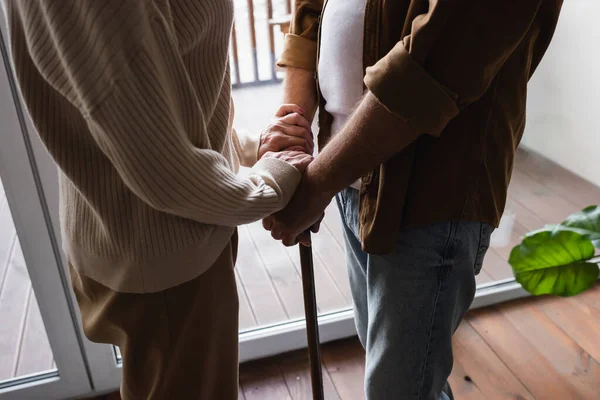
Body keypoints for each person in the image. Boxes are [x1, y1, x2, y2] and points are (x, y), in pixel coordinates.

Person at [4, 1, 313, 399]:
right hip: (162, 264)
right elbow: (163, 171)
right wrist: (271, 181)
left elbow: (149, 105)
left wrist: (251, 147)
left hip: (132, 236)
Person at [265, 0, 563, 399]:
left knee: (399, 389)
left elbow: (442, 56)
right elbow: (312, 11)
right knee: (395, 369)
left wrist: (317, 185)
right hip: (349, 173)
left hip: (431, 189)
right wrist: (294, 122)